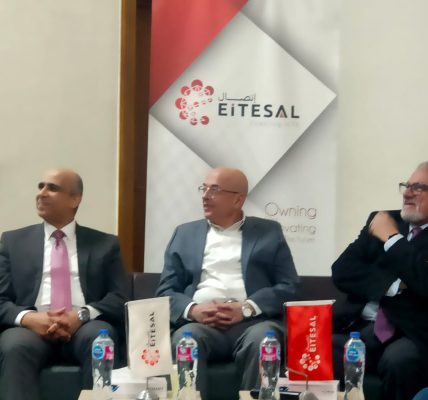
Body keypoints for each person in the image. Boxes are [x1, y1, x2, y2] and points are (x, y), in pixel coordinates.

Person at [156, 167, 299, 399]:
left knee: (264, 341)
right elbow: (165, 291)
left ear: (237, 200)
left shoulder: (269, 232)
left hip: (252, 323)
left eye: (214, 190)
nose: (205, 196)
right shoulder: (184, 234)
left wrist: (246, 308)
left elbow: (289, 286)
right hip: (201, 325)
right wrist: (194, 310)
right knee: (185, 340)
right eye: (204, 188)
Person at [0, 168, 129, 400]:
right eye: (40, 186)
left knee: (100, 340)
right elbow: (1, 299)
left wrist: (81, 315)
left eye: (52, 188)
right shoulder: (13, 241)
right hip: (30, 328)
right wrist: (30, 318)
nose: (42, 193)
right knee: (14, 345)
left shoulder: (105, 243)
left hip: (84, 326)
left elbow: (119, 298)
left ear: (75, 199)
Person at [331, 161, 428, 400]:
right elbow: (343, 270)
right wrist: (393, 285)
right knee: (315, 348)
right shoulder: (382, 218)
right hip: (360, 326)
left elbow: (424, 282)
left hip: (410, 333)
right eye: (406, 185)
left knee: (400, 360)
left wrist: (392, 238)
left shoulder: (387, 228)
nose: (407, 193)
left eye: (418, 187)